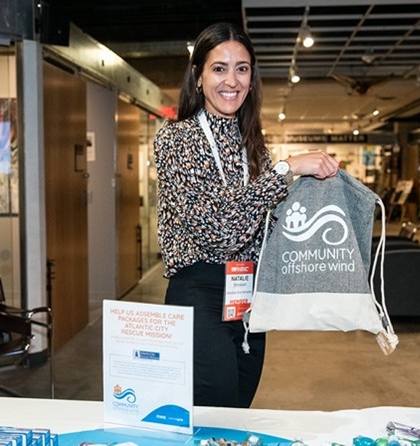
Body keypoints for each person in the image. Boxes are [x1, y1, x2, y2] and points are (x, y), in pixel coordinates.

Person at [153, 22, 339, 408]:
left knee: (239, 409)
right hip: (199, 293)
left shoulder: (252, 146)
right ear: (198, 76)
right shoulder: (176, 140)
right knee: (215, 409)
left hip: (248, 298)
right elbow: (221, 232)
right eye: (219, 68)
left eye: (242, 68)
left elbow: (265, 226)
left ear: (252, 78)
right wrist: (287, 170)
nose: (231, 80)